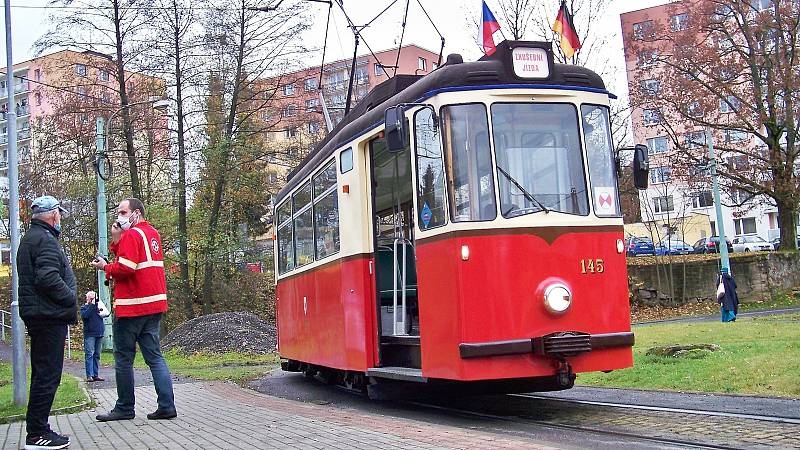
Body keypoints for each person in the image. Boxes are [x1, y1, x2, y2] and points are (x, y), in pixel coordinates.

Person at [90, 198, 177, 421]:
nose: (119, 217)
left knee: (123, 359)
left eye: (123, 212)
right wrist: (116, 241)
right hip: (154, 305)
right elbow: (136, 259)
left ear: (136, 213)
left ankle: (125, 407)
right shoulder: (152, 234)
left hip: (132, 308)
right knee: (155, 357)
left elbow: (126, 267)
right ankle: (167, 405)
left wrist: (105, 267)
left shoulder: (132, 234)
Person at [17, 195, 76, 449]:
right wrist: (71, 298)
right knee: (48, 376)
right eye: (59, 213)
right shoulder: (46, 241)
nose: (60, 217)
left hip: (40, 315)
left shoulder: (30, 239)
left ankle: (39, 429)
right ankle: (37, 433)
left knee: (43, 374)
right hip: (49, 317)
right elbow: (48, 278)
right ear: (53, 215)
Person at [80, 290, 109, 382]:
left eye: (94, 298)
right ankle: (89, 375)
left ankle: (96, 374)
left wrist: (97, 304)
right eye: (91, 298)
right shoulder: (84, 307)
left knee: (97, 355)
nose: (93, 300)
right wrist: (91, 305)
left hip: (99, 332)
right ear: (87, 298)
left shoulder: (99, 306)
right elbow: (85, 316)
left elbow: (106, 313)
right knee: (89, 354)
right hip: (90, 334)